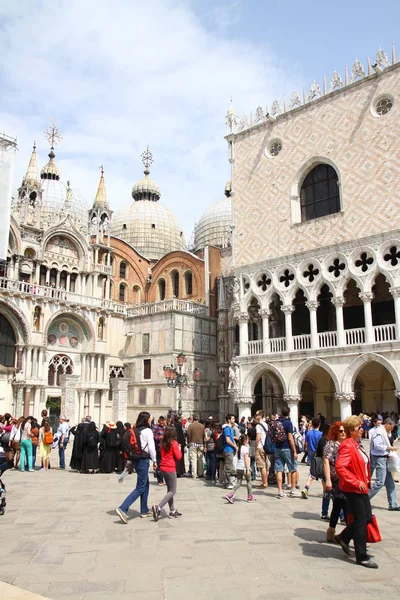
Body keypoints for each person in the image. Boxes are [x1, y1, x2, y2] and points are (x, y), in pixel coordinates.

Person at [335, 415, 377, 569]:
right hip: (354, 488)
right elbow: (340, 467)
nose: (362, 429)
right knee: (361, 519)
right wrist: (356, 481)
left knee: (366, 517)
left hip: (361, 486)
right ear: (352, 430)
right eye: (359, 427)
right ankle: (362, 556)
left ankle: (343, 537)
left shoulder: (355, 444)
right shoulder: (347, 445)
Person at [115, 411, 157, 524]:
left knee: (145, 484)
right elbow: (152, 447)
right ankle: (123, 508)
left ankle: (144, 510)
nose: (150, 420)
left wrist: (129, 461)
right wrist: (155, 460)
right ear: (146, 420)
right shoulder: (148, 431)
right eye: (149, 419)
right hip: (143, 460)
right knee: (140, 487)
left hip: (135, 459)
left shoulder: (135, 430)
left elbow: (131, 447)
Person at [368, 417, 399, 511]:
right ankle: (364, 498)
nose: (392, 429)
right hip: (379, 458)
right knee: (380, 482)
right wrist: (389, 448)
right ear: (387, 424)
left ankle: (393, 504)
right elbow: (377, 446)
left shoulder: (383, 431)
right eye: (392, 427)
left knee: (390, 482)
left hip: (384, 458)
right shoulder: (378, 432)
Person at [152, 425, 182, 520]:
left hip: (163, 467)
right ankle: (158, 507)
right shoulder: (174, 443)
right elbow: (178, 457)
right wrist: (179, 449)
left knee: (169, 490)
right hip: (170, 468)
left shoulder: (162, 443)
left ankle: (172, 511)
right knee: (173, 491)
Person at [323, 422, 347, 542]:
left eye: (344, 431)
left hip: (347, 478)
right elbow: (326, 461)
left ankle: (331, 530)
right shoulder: (331, 445)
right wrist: (328, 479)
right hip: (336, 478)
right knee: (345, 504)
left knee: (338, 505)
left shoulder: (349, 443)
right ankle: (352, 533)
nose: (343, 433)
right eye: (340, 431)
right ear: (335, 432)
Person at [274, 408, 299, 498]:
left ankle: (280, 491)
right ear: (289, 413)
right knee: (293, 468)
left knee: (279, 470)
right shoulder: (288, 423)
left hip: (277, 448)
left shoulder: (276, 422)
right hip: (287, 448)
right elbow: (290, 438)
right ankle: (293, 489)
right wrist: (295, 451)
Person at [225, 434, 255, 504]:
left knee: (238, 482)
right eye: (247, 439)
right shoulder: (245, 448)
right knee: (249, 482)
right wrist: (248, 469)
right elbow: (246, 459)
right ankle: (249, 496)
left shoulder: (238, 447)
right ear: (245, 440)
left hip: (238, 467)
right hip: (244, 467)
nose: (248, 440)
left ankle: (230, 494)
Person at [301, 417, 322, 499]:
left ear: (312, 424)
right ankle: (326, 491)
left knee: (312, 472)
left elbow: (306, 443)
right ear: (319, 425)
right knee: (322, 473)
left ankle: (306, 488)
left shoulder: (308, 433)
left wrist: (308, 449)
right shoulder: (320, 434)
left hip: (311, 454)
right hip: (319, 455)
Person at [254, 411, 269, 489]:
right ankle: (265, 481)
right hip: (265, 446)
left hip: (260, 446)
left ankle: (264, 483)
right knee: (264, 465)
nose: (255, 416)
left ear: (260, 416)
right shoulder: (266, 424)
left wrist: (255, 447)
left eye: (256, 415)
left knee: (261, 466)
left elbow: (258, 437)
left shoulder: (258, 426)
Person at [222, 414, 237, 489]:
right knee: (228, 467)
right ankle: (227, 483)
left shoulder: (230, 428)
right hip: (228, 450)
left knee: (230, 466)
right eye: (233, 418)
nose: (234, 420)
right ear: (229, 420)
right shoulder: (227, 428)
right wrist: (234, 446)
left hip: (231, 450)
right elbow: (228, 440)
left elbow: (231, 438)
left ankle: (229, 482)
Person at [152, 415, 166, 485]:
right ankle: (160, 479)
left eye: (163, 420)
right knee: (158, 464)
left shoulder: (167, 428)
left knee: (166, 464)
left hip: (166, 449)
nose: (162, 421)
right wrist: (161, 437)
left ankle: (166, 478)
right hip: (158, 448)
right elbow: (153, 436)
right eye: (160, 420)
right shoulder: (155, 427)